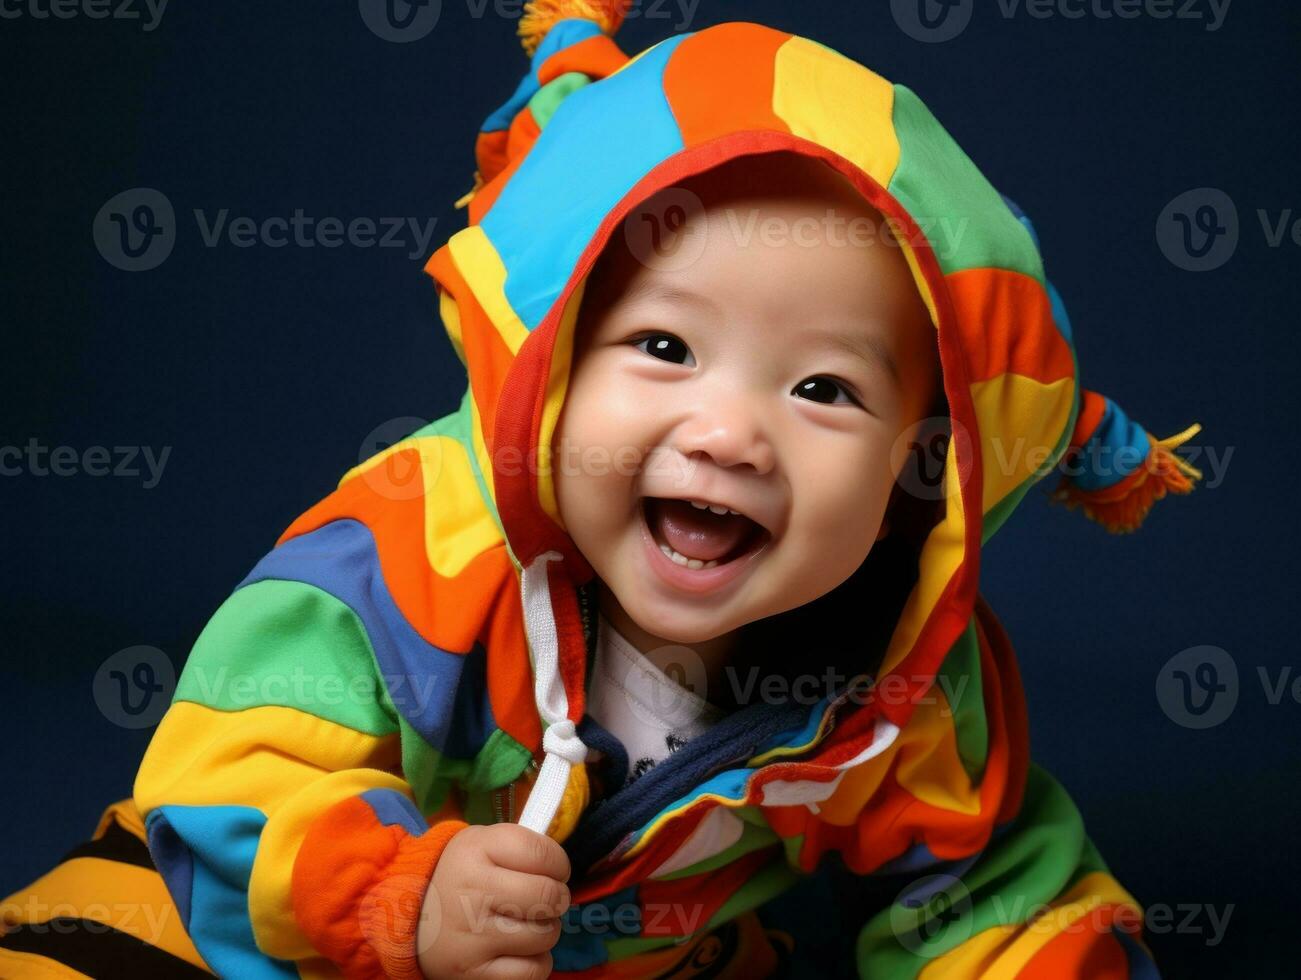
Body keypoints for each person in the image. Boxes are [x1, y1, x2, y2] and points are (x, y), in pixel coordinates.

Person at [1, 4, 1204, 978]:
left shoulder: (905, 675)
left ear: (920, 462)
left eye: (826, 389)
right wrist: (401, 899)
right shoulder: (411, 550)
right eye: (665, 349)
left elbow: (982, 884)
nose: (730, 433)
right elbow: (226, 776)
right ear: (553, 361)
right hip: (307, 930)